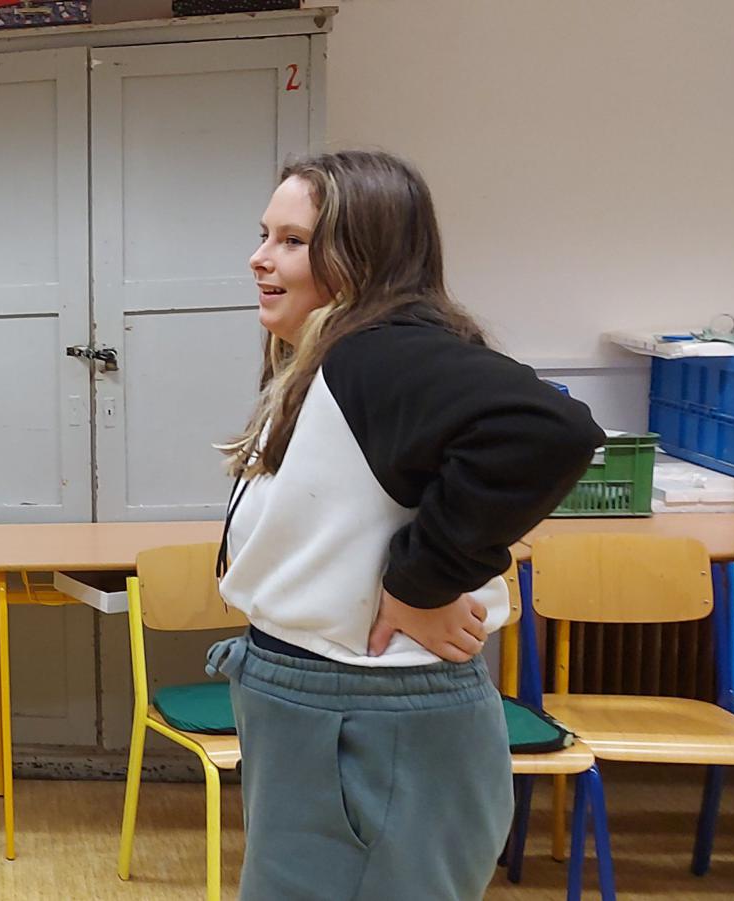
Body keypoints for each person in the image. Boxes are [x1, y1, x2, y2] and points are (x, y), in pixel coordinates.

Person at [208, 149, 604, 900]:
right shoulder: (331, 353)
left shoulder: (376, 352)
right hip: (322, 697)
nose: (260, 259)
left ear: (362, 255)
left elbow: (548, 430)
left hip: (365, 708)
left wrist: (423, 582)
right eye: (265, 236)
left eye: (293, 241)